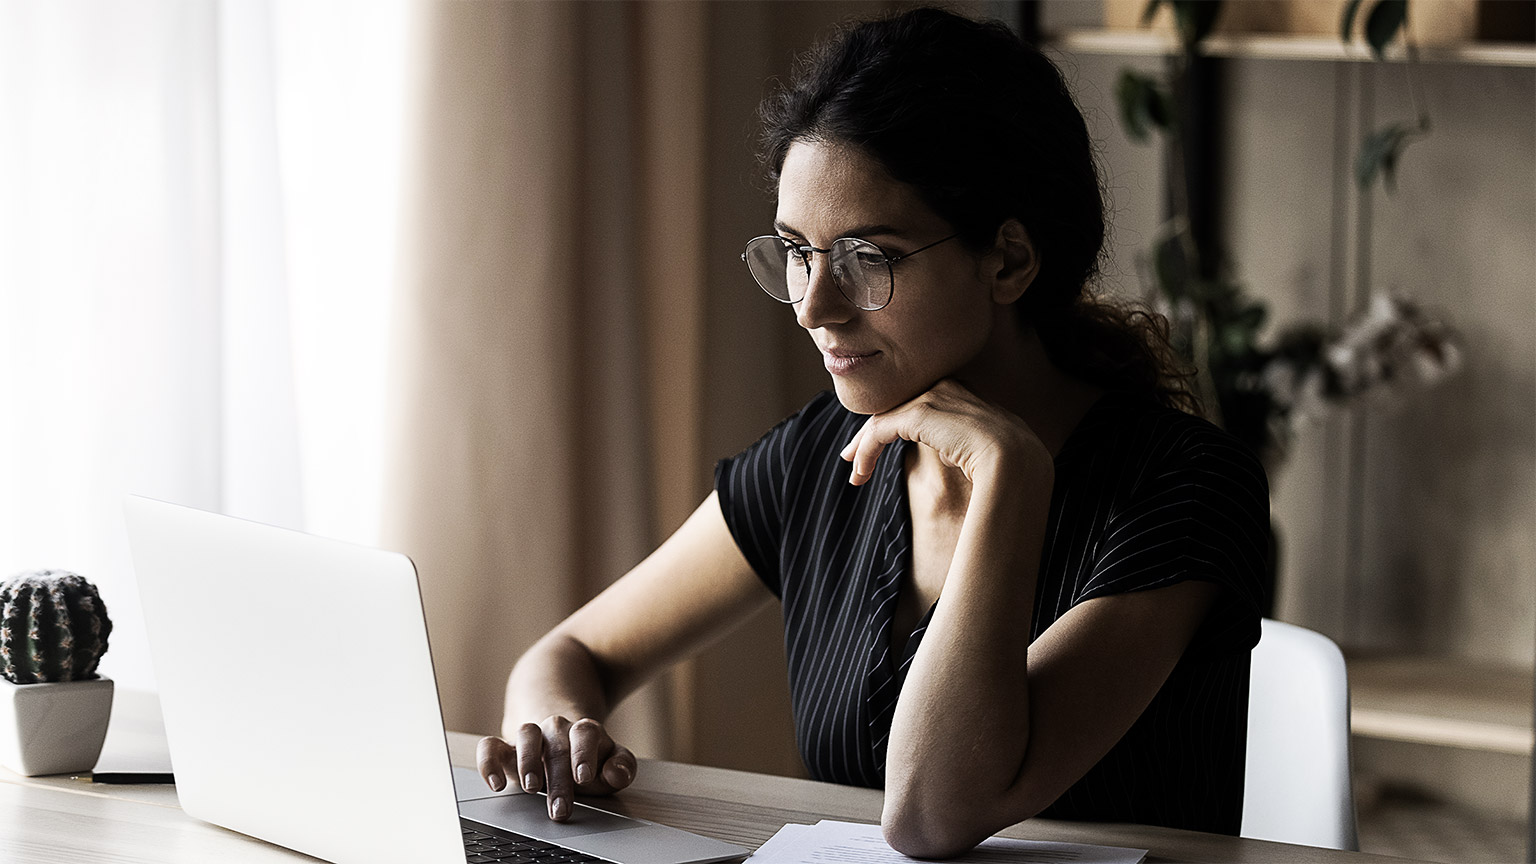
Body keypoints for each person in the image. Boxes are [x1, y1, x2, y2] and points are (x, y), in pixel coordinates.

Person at [477, 7, 1269, 858]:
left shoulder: (1184, 489)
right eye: (796, 250)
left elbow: (934, 813)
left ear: (1008, 260)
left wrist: (1008, 475)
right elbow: (570, 652)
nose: (815, 306)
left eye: (867, 256)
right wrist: (555, 734)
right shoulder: (823, 455)